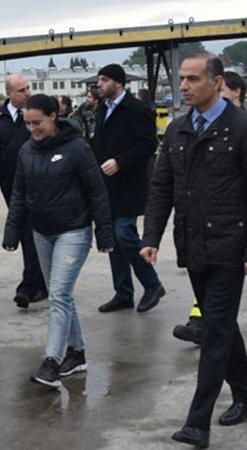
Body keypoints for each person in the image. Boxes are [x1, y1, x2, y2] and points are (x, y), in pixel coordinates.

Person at [140, 52, 247, 448]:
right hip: (193, 245)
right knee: (222, 327)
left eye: (192, 79)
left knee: (214, 332)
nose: (183, 85)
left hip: (231, 247)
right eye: (182, 78)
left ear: (217, 83)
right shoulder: (179, 129)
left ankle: (198, 423)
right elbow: (161, 187)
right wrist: (151, 238)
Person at [3, 94, 115, 387]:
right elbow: (18, 194)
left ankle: (51, 360)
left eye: (37, 122)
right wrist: (12, 231)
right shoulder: (26, 151)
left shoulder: (77, 148)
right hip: (41, 232)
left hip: (73, 231)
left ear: (54, 116)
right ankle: (76, 353)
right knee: (60, 295)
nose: (32, 129)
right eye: (27, 123)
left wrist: (104, 232)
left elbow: (97, 191)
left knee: (59, 295)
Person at [173, 71, 247, 344]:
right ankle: (200, 321)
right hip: (215, 215)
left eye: (222, 92)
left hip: (244, 212)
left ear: (236, 93)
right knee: (210, 270)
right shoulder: (203, 126)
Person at [92, 64, 166, 314]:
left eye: (104, 80)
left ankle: (152, 284)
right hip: (107, 185)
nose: (99, 84)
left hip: (130, 185)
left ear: (118, 83)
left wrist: (120, 161)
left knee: (125, 233)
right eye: (99, 80)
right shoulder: (102, 109)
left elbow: (148, 144)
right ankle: (123, 293)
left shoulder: (138, 110)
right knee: (112, 239)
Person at [0, 74, 48, 308]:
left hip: (37, 187)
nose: (27, 93)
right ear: (9, 94)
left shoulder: (36, 115)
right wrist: (5, 186)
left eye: (28, 88)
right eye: (22, 90)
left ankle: (30, 286)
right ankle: (38, 284)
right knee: (26, 236)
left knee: (31, 234)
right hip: (12, 188)